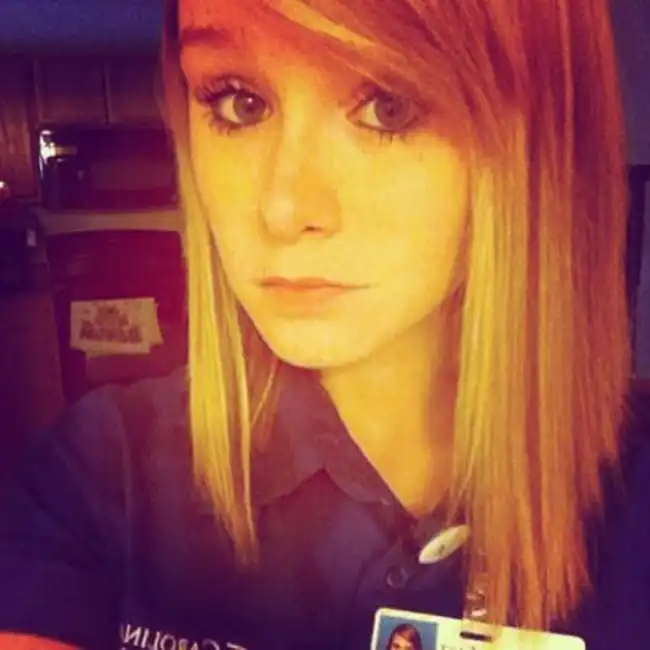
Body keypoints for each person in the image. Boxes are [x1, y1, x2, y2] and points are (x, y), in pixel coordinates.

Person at [0, 0, 648, 649]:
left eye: (388, 107)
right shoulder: (101, 474)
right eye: (239, 103)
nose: (283, 209)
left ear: (535, 139)